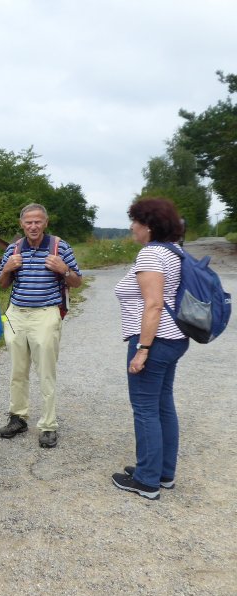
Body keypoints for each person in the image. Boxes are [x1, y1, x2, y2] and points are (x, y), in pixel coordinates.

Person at [112, 197, 189, 500]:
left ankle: (147, 480)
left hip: (154, 341)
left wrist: (142, 349)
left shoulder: (151, 255)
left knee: (145, 410)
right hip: (175, 339)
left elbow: (154, 305)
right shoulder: (176, 252)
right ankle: (164, 473)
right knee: (162, 405)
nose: (132, 227)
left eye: (135, 222)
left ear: (148, 225)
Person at [0, 203, 82, 448]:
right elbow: (1, 284)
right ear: (21, 224)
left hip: (46, 313)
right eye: (28, 222)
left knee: (45, 371)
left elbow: (76, 281)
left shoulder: (60, 246)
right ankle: (18, 417)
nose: (33, 226)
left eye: (38, 222)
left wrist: (64, 269)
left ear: (46, 223)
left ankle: (48, 425)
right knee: (17, 370)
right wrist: (8, 269)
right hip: (15, 315)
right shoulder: (14, 249)